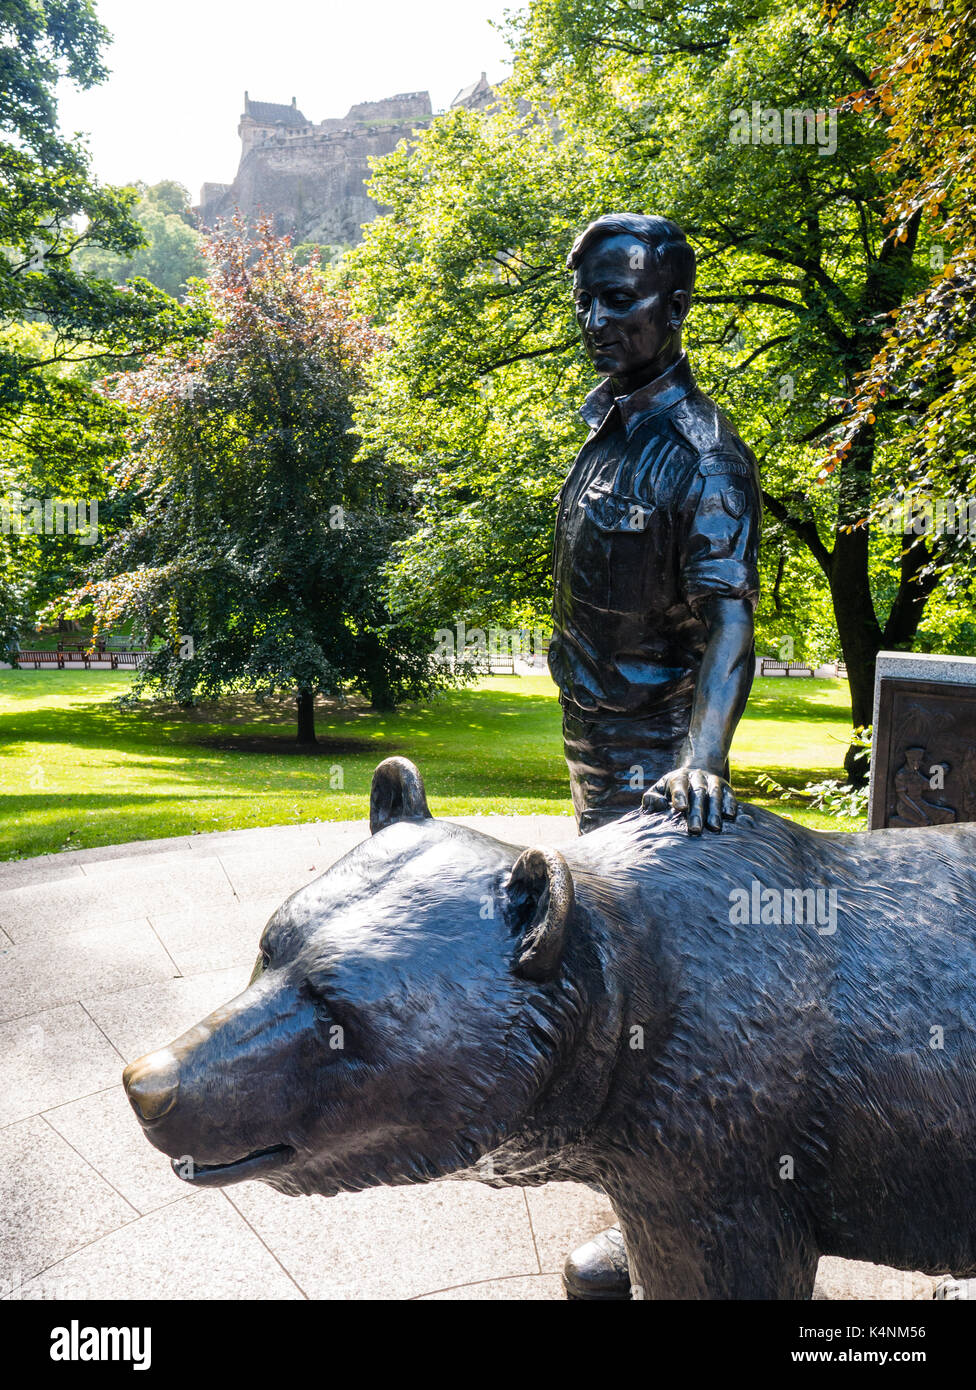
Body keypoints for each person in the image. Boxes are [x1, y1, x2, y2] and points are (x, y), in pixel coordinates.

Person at [549, 213, 762, 1298]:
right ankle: (647, 1213)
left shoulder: (702, 455)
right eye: (586, 296)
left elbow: (729, 622)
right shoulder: (606, 429)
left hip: (653, 773)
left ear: (676, 307)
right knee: (622, 1003)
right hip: (595, 755)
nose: (596, 319)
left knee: (662, 1021)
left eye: (620, 299)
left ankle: (681, 1234)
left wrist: (702, 761)